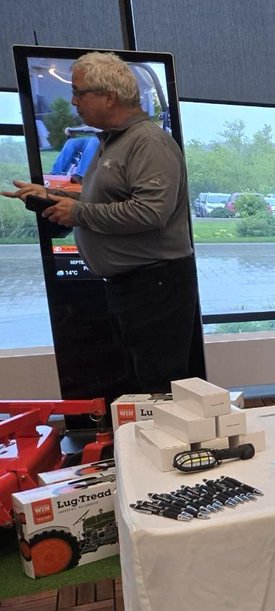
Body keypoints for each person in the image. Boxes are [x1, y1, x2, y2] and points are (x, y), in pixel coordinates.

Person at [3, 52, 200, 398]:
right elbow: (105, 199)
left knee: (156, 388)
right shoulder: (111, 141)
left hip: (155, 286)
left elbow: (151, 212)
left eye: (79, 93)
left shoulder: (148, 142)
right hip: (132, 285)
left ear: (109, 97)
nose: (73, 102)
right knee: (137, 386)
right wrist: (50, 195)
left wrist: (78, 214)